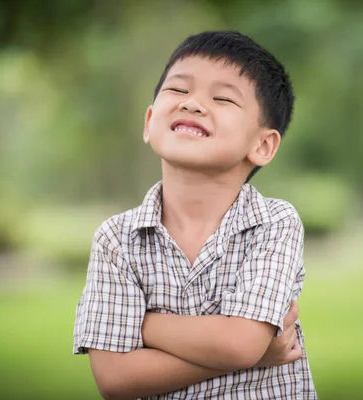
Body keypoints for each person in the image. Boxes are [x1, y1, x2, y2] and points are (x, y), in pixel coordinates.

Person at [74, 30, 317, 399]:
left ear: (263, 145)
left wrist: (143, 325)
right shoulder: (116, 240)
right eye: (177, 90)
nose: (193, 104)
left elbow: (239, 344)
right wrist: (256, 356)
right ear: (149, 120)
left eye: (221, 98)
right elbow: (114, 378)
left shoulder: (274, 224)